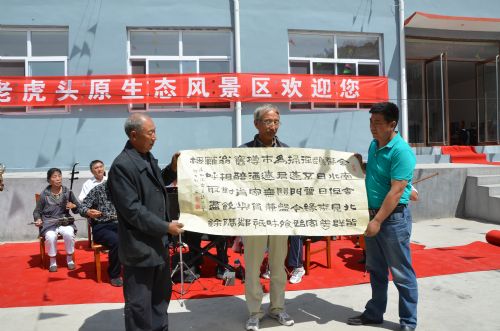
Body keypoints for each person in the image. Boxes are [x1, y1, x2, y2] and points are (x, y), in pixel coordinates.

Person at [108, 113, 184, 331]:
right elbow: (132, 211)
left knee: (160, 299)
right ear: (134, 135)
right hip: (139, 248)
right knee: (139, 305)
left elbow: (155, 184)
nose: (155, 137)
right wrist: (166, 227)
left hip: (158, 245)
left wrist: (171, 169)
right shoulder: (122, 166)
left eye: (154, 131)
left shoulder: (146, 157)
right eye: (150, 133)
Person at [347, 102, 418, 331]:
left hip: (392, 220)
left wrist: (378, 220)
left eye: (378, 123)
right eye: (371, 122)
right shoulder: (374, 145)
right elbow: (375, 178)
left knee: (401, 274)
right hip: (372, 217)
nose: (372, 127)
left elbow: (397, 190)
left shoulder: (401, 151)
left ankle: (408, 322)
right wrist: (359, 167)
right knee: (376, 270)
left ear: (392, 124)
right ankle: (374, 313)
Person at [240, 104, 294, 331]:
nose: (273, 126)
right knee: (252, 267)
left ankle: (278, 308)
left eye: (276, 122)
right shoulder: (243, 151)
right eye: (268, 122)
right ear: (256, 124)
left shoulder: (287, 151)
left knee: (278, 266)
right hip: (254, 217)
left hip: (279, 216)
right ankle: (254, 312)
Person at [33, 168, 80, 272]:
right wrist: (38, 219)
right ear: (49, 180)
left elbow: (78, 209)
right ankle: (52, 261)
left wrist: (73, 206)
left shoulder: (68, 192)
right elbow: (37, 211)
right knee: (50, 236)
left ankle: (69, 259)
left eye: (59, 176)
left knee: (68, 233)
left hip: (65, 221)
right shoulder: (44, 195)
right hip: (49, 223)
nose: (58, 179)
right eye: (54, 177)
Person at [79, 180, 123, 287]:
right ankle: (114, 274)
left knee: (138, 235)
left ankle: (138, 269)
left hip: (121, 224)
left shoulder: (125, 188)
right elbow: (82, 207)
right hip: (101, 226)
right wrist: (88, 212)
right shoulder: (98, 189)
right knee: (117, 241)